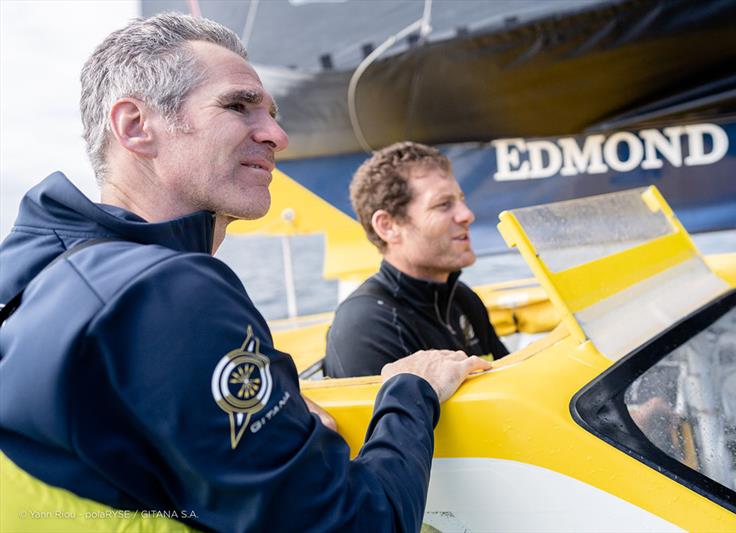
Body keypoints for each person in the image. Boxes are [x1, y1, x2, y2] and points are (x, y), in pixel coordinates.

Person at [0, 13, 490, 533]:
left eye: (274, 114)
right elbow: (358, 524)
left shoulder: (37, 276)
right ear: (136, 127)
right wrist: (410, 390)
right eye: (238, 106)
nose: (277, 135)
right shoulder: (165, 293)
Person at [324, 142, 509, 378]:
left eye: (461, 200)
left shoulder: (461, 298)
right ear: (388, 226)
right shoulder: (365, 325)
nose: (467, 215)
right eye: (443, 205)